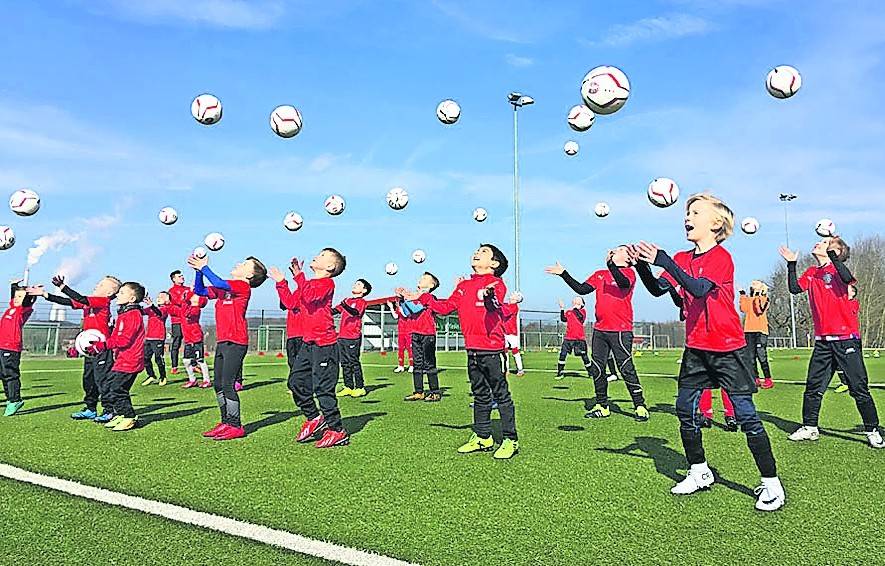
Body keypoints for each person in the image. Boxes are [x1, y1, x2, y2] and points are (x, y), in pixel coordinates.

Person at [633, 192, 784, 511]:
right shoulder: (681, 258)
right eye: (687, 212)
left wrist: (664, 261)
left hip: (728, 348)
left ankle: (771, 483)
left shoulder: (721, 257)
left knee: (746, 415)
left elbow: (699, 288)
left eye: (695, 212)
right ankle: (699, 471)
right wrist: (643, 266)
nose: (687, 217)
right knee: (685, 410)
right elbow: (659, 289)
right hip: (696, 349)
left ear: (716, 223)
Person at [403, 244, 519, 459]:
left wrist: (488, 296)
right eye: (477, 250)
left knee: (501, 395)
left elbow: (494, 305)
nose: (477, 253)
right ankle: (483, 437)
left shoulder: (496, 283)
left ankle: (510, 439)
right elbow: (445, 308)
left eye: (483, 252)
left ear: (494, 263)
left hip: (492, 350)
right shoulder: (464, 285)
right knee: (480, 394)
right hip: (472, 350)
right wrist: (424, 297)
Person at [780, 237, 883, 448]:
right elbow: (794, 289)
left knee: (858, 388)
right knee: (813, 387)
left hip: (846, 341)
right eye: (819, 241)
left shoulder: (839, 272)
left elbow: (846, 277)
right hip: (823, 343)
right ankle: (810, 427)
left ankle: (872, 429)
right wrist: (791, 264)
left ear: (834, 251)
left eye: (825, 242)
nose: (818, 243)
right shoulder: (812, 272)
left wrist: (833, 255)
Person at [546, 246, 649, 421]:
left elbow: (623, 283)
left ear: (629, 257)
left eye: (621, 249)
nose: (616, 250)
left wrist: (610, 265)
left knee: (625, 367)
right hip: (600, 330)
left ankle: (640, 406)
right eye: (617, 249)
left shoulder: (629, 273)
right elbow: (581, 289)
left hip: (621, 330)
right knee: (598, 368)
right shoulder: (600, 274)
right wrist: (564, 273)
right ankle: (602, 405)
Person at [273, 248, 350, 448]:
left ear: (330, 267)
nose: (317, 255)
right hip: (308, 344)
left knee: (323, 389)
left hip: (325, 344)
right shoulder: (306, 284)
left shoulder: (327, 283)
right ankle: (314, 417)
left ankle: (337, 429)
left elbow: (309, 297)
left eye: (323, 255)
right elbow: (291, 303)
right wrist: (282, 282)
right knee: (296, 382)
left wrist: (299, 275)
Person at [191, 254, 268, 441]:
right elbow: (200, 291)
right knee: (218, 384)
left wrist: (204, 267)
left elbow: (217, 281)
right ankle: (225, 422)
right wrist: (198, 272)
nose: (238, 263)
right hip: (223, 341)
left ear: (250, 275)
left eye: (244, 264)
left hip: (236, 342)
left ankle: (235, 425)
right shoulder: (224, 289)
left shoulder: (242, 286)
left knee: (227, 384)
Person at [39, 275, 120, 422]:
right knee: (88, 379)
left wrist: (63, 287)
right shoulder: (89, 303)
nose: (97, 285)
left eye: (101, 285)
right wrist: (45, 295)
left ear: (109, 293)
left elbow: (81, 299)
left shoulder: (102, 301)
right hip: (90, 350)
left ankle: (109, 410)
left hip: (101, 349)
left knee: (102, 380)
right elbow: (69, 302)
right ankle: (90, 408)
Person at [84, 282, 147, 432]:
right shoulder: (124, 313)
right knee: (108, 385)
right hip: (122, 360)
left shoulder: (132, 315)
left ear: (132, 299)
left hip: (130, 360)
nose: (118, 294)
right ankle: (120, 414)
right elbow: (116, 336)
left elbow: (124, 340)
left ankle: (129, 417)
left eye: (123, 293)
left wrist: (103, 345)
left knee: (117, 388)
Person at [396, 272, 442, 402]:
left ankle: (435, 392)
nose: (421, 279)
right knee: (417, 363)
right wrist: (401, 299)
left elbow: (416, 309)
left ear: (431, 285)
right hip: (415, 333)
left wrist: (405, 296)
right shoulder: (414, 297)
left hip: (428, 334)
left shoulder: (429, 297)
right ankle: (418, 391)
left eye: (425, 278)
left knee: (429, 363)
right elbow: (405, 312)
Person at [1, 281, 37, 416]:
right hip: (1, 345)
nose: (16, 299)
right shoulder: (11, 307)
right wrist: (13, 286)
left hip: (10, 347)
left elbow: (26, 301)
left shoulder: (22, 310)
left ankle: (15, 400)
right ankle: (10, 398)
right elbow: (14, 297)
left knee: (10, 374)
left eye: (20, 297)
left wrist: (28, 293)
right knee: (3, 374)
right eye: (15, 296)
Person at [335, 278, 371, 398]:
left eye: (359, 284)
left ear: (364, 290)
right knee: (344, 363)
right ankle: (348, 387)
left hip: (353, 337)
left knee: (354, 362)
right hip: (342, 336)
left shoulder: (362, 302)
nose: (355, 285)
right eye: (355, 283)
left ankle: (360, 387)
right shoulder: (347, 300)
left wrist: (345, 305)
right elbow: (335, 310)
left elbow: (356, 313)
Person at [274, 258, 305, 397]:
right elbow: (284, 304)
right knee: (292, 362)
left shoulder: (303, 292)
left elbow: (291, 304)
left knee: (301, 363)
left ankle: (303, 386)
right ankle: (295, 385)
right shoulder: (295, 293)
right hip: (291, 335)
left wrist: (283, 282)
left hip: (301, 335)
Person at [739, 280, 773, 389]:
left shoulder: (765, 299)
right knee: (750, 356)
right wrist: (743, 295)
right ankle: (755, 378)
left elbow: (759, 310)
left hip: (761, 330)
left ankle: (768, 379)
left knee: (761, 355)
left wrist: (758, 295)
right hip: (749, 330)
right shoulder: (750, 299)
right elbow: (743, 309)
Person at [176, 293, 211, 389]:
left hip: (196, 339)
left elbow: (187, 314)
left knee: (200, 360)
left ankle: (206, 380)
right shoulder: (187, 306)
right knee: (186, 361)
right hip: (188, 339)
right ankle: (192, 380)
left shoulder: (196, 309)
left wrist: (185, 300)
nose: (193, 295)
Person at [555, 297, 592, 381]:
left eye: (579, 300)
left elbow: (579, 317)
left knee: (584, 356)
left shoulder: (582, 312)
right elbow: (563, 319)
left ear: (582, 303)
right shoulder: (569, 312)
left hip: (579, 338)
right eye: (575, 299)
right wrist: (562, 309)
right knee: (563, 354)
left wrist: (575, 308)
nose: (576, 301)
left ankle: (591, 372)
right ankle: (560, 372)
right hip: (568, 338)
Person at [141, 292, 170, 386]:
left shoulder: (164, 309)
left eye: (162, 297)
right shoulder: (151, 309)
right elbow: (141, 311)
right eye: (158, 296)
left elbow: (159, 313)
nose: (159, 298)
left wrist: (151, 305)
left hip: (158, 338)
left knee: (158, 358)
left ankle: (163, 377)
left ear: (167, 300)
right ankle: (151, 375)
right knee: (145, 358)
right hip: (148, 337)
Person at [167, 270, 191, 375]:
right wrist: (185, 299)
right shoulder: (171, 291)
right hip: (177, 321)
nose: (182, 277)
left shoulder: (188, 289)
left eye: (182, 275)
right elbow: (178, 302)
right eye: (179, 276)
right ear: (174, 279)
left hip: (188, 320)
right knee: (176, 343)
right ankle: (174, 366)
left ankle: (192, 364)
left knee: (190, 342)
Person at [501, 292, 525, 377]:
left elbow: (505, 312)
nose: (511, 295)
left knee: (515, 351)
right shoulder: (506, 304)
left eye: (514, 295)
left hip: (512, 333)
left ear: (517, 299)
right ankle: (506, 369)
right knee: (505, 351)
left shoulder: (514, 307)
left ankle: (520, 369)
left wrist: (499, 304)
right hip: (504, 331)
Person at [390, 301, 414, 374]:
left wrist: (400, 307)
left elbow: (405, 315)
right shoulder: (399, 307)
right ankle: (401, 366)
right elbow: (395, 316)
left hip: (409, 330)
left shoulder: (408, 306)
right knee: (401, 348)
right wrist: (391, 307)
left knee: (410, 349)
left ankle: (412, 365)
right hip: (401, 331)